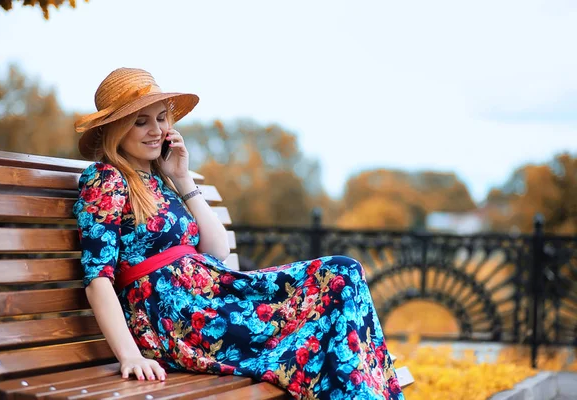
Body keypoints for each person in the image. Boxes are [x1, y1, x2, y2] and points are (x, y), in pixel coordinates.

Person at [73, 67, 405, 400]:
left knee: (344, 273)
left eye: (161, 118)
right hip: (177, 319)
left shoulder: (163, 181)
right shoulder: (106, 179)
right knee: (334, 289)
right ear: (116, 129)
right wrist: (130, 355)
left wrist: (184, 179)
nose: (156, 130)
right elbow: (97, 278)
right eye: (140, 121)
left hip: (214, 296)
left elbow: (216, 251)